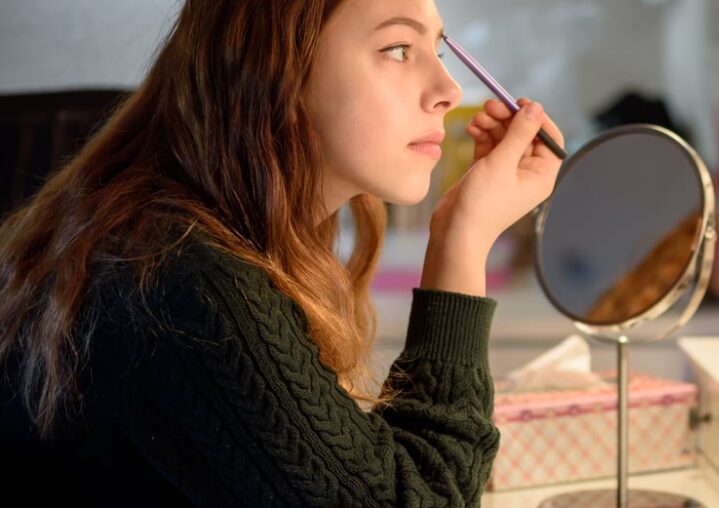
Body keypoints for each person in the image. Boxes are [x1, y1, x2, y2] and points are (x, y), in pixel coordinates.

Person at [0, 0, 563, 505]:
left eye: (437, 50)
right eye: (397, 49)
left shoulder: (209, 241)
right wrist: (463, 237)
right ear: (276, 67)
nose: (449, 90)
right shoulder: (184, 281)